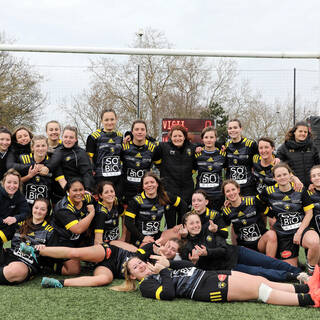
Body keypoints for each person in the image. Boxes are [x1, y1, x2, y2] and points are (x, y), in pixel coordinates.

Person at [111, 255, 320, 308]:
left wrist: (167, 263)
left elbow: (188, 266)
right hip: (205, 288)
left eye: (139, 262)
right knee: (260, 290)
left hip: (207, 276)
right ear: (132, 277)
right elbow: (168, 294)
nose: (140, 266)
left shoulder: (159, 267)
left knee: (259, 278)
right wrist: (165, 270)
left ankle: (306, 287)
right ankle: (311, 299)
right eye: (134, 268)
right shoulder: (146, 285)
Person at [179, 211, 304, 282]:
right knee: (259, 272)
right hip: (230, 267)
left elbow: (223, 249)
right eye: (191, 223)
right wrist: (194, 262)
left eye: (197, 222)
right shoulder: (185, 245)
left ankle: (300, 272)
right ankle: (295, 277)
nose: (195, 225)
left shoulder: (210, 229)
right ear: (185, 226)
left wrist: (208, 252)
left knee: (269, 261)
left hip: (237, 253)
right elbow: (192, 269)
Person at [259, 163, 320, 273]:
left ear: (290, 175)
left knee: (315, 242)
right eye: (278, 176)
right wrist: (271, 214)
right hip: (284, 234)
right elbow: (257, 203)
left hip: (302, 229)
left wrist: (299, 233)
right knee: (291, 270)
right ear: (274, 178)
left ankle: (312, 272)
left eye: (284, 174)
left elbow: (309, 213)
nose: (282, 177)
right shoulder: (268, 191)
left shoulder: (300, 189)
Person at [0, 198, 56, 285]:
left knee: (15, 271)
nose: (38, 211)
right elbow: (10, 241)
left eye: (42, 209)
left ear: (47, 212)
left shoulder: (50, 231)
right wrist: (4, 247)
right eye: (36, 208)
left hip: (26, 263)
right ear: (32, 208)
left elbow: (51, 258)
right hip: (8, 256)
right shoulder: (21, 223)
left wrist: (44, 251)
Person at [125, 171, 188, 247]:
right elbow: (128, 222)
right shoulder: (136, 201)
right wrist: (142, 238)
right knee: (147, 248)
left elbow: (183, 205)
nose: (150, 185)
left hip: (157, 236)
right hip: (140, 238)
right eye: (146, 183)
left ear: (157, 184)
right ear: (143, 186)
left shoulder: (164, 196)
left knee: (178, 234)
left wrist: (181, 224)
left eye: (152, 182)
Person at [221, 179, 277, 257]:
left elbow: (271, 214)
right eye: (227, 191)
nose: (231, 193)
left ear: (238, 189)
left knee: (271, 234)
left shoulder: (253, 201)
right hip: (244, 247)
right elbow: (225, 228)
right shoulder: (226, 211)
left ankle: (271, 264)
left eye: (233, 189)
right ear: (225, 194)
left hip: (260, 242)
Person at [154, 125, 196, 213]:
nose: (177, 138)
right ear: (170, 137)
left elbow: (195, 166)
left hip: (187, 192)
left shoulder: (192, 148)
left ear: (184, 137)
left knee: (185, 221)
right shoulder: (163, 147)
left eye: (180, 136)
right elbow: (153, 153)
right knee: (170, 224)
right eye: (175, 136)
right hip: (169, 192)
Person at [120, 120, 159, 204]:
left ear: (146, 132)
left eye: (142, 129)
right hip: (127, 191)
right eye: (137, 129)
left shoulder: (153, 148)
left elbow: (161, 166)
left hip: (145, 190)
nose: (140, 132)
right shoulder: (124, 146)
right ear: (132, 132)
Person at [47, 125, 94, 193]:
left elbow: (87, 173)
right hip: (57, 193)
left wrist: (87, 189)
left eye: (71, 137)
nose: (68, 139)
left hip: (75, 192)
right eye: (65, 137)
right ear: (62, 137)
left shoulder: (81, 153)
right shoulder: (57, 151)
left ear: (76, 139)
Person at [86, 109, 123, 193]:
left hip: (117, 178)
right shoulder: (93, 137)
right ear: (102, 121)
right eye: (106, 120)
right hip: (101, 178)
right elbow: (89, 158)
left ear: (116, 119)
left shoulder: (120, 136)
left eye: (112, 119)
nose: (109, 122)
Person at [277, 121, 320, 188]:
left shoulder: (312, 147)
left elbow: (318, 166)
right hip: (293, 187)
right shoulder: (284, 148)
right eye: (300, 131)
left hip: (311, 187)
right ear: (294, 132)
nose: (303, 133)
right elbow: (280, 168)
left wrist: (316, 182)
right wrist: (293, 178)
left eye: (305, 132)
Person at [195, 126, 226, 210]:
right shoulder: (197, 154)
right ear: (202, 139)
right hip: (201, 195)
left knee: (217, 221)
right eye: (206, 137)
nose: (209, 140)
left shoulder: (222, 154)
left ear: (216, 138)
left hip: (218, 195)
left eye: (211, 137)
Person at [225, 119, 258, 196]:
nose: (232, 130)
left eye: (235, 127)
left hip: (248, 187)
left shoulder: (251, 144)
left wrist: (275, 158)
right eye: (230, 128)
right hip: (232, 189)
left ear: (241, 129)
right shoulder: (226, 145)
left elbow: (264, 154)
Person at [18, 135, 54, 206]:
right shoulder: (23, 159)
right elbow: (16, 182)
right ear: (32, 148)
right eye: (37, 146)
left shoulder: (52, 162)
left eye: (43, 146)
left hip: (43, 207)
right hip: (25, 205)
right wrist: (29, 176)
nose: (40, 148)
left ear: (47, 147)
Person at [0, 169, 30, 249]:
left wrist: (15, 218)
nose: (12, 186)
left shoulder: (18, 195)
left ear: (19, 184)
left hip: (9, 231)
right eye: (9, 182)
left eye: (15, 183)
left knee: (6, 248)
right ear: (3, 183)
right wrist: (5, 221)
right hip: (3, 227)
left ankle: (4, 251)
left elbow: (26, 212)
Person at [309, 165, 320, 239]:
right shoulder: (307, 195)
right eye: (314, 176)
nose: (317, 178)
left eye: (319, 175)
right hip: (315, 232)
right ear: (311, 179)